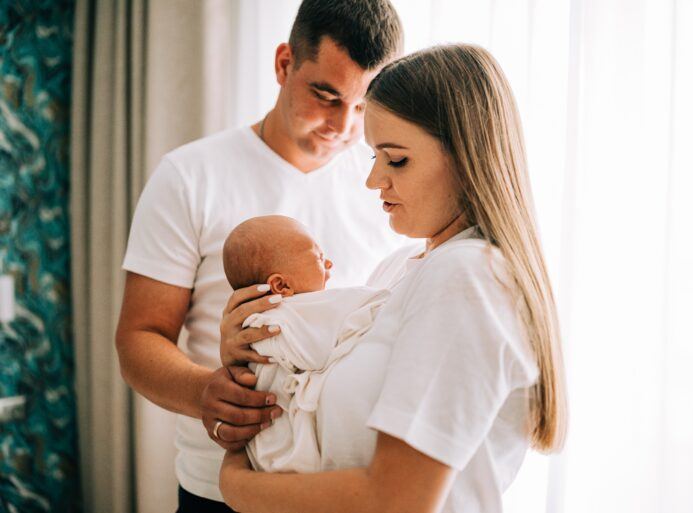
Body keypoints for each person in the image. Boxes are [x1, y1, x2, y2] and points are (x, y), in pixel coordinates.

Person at [219, 44, 568, 513]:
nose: (374, 181)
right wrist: (258, 347)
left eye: (396, 159)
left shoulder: (467, 278)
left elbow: (396, 500)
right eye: (372, 158)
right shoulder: (400, 271)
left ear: (467, 158)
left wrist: (236, 485)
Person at [114, 1, 404, 510]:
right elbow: (139, 338)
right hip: (220, 488)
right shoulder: (190, 175)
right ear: (284, 64)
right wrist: (206, 391)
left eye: (362, 106)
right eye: (326, 95)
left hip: (341, 489)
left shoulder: (388, 186)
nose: (343, 126)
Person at [221, 215, 389, 473]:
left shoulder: (257, 319)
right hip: (288, 437)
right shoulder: (297, 311)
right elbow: (370, 304)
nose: (329, 262)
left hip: (263, 453)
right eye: (319, 258)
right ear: (282, 284)